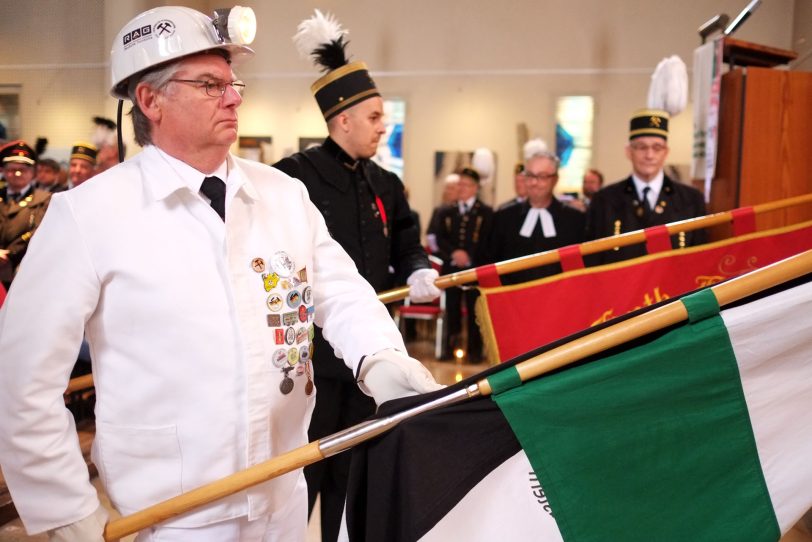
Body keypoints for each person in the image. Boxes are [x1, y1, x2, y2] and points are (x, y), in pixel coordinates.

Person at [0, 6, 441, 541]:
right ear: (150, 100)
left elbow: (341, 293)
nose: (234, 97)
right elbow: (21, 379)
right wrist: (63, 503)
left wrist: (380, 356)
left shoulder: (282, 194)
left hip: (281, 495)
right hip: (170, 515)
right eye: (211, 85)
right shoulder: (89, 215)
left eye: (234, 83)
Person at [273, 11, 440, 541]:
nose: (382, 126)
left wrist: (418, 271)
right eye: (374, 117)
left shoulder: (386, 183)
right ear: (341, 119)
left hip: (371, 362)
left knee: (355, 477)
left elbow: (409, 243)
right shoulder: (292, 177)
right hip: (311, 364)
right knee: (302, 475)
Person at [586, 109, 707, 264]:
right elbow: (593, 259)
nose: (649, 155)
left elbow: (700, 256)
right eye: (642, 147)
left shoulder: (691, 199)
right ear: (629, 152)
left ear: (666, 152)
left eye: (657, 148)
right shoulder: (604, 200)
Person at [483, 151, 586, 285]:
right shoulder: (504, 217)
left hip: (560, 297)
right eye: (530, 175)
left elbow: (580, 265)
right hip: (513, 297)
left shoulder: (575, 219)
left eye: (542, 176)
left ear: (555, 179)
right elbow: (490, 262)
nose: (534, 182)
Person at [434, 167, 493, 362]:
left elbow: (487, 240)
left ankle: (474, 352)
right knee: (452, 309)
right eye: (459, 184)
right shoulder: (446, 211)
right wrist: (453, 253)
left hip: (475, 269)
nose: (461, 188)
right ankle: (450, 349)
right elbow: (439, 238)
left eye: (466, 185)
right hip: (451, 268)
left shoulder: (485, 212)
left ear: (475, 188)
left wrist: (468, 257)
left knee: (474, 309)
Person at [0, 140, 51, 289]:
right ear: (3, 171)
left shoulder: (44, 199)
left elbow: (39, 232)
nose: (16, 173)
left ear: (33, 172)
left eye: (22, 169)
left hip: (24, 273)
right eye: (11, 169)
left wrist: (8, 254)